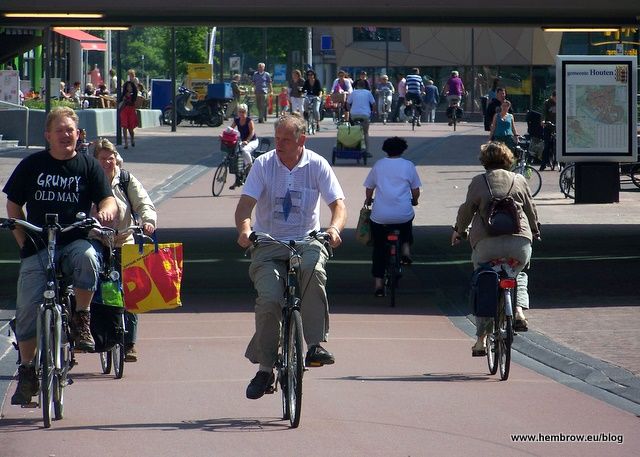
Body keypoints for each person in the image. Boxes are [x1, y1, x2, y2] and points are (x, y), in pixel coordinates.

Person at [3, 107, 117, 405]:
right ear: (48, 136)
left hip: (74, 239)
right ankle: (28, 371)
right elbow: (13, 206)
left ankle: (82, 317)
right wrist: (22, 240)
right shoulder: (32, 165)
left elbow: (107, 198)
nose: (67, 135)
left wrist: (106, 209)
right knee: (27, 307)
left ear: (79, 134)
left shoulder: (88, 166)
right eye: (60, 130)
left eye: (71, 130)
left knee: (89, 258)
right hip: (38, 246)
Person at [234, 113, 346, 400]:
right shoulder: (263, 164)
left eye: (286, 139)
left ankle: (315, 345)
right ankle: (265, 368)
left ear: (302, 140)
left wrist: (333, 229)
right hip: (269, 243)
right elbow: (244, 207)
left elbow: (338, 205)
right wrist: (245, 231)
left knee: (314, 270)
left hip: (307, 240)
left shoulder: (317, 164)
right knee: (269, 299)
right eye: (277, 138)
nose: (279, 144)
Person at [451, 142, 540, 356]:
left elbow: (466, 211)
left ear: (484, 161)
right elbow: (530, 208)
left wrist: (459, 231)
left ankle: (481, 340)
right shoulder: (519, 180)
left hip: (487, 245)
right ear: (509, 159)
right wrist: (535, 231)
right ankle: (518, 311)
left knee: (485, 283)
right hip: (519, 243)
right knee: (518, 273)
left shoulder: (478, 182)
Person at [93, 138, 157, 362]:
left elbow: (144, 202)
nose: (107, 163)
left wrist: (148, 220)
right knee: (91, 283)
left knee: (133, 291)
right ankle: (92, 333)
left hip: (124, 239)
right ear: (95, 160)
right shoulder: (90, 179)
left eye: (110, 158)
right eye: (102, 159)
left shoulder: (126, 180)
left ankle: (129, 344)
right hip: (98, 240)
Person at [363, 137, 421, 297]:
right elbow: (415, 190)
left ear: (385, 149)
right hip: (402, 213)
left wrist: (368, 200)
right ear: (403, 149)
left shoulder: (379, 165)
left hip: (380, 216)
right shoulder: (408, 166)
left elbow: (369, 188)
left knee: (379, 249)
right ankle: (406, 249)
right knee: (407, 222)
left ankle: (378, 284)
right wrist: (414, 201)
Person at [229, 103, 259, 190]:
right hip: (242, 142)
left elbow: (252, 132)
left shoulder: (249, 120)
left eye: (243, 112)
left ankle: (250, 165)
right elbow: (230, 129)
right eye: (240, 112)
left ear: (246, 112)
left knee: (245, 151)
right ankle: (237, 181)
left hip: (252, 141)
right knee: (235, 160)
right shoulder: (237, 120)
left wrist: (247, 141)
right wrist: (224, 135)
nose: (242, 114)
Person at [346, 79, 376, 151]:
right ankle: (367, 151)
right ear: (365, 86)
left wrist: (350, 112)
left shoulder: (353, 93)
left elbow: (347, 103)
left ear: (357, 86)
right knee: (366, 132)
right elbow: (374, 104)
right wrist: (372, 112)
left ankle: (353, 147)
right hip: (365, 115)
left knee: (353, 130)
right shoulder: (368, 92)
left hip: (354, 115)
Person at [540, 91, 557, 171]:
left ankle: (562, 163)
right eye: (555, 98)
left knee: (560, 145)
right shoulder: (547, 103)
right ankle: (543, 164)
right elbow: (543, 113)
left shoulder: (561, 101)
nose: (556, 100)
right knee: (547, 145)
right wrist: (543, 121)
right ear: (552, 97)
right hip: (548, 125)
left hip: (557, 126)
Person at [119, 80, 138, 149]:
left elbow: (134, 102)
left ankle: (132, 139)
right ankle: (126, 143)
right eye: (128, 87)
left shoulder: (134, 94)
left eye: (130, 87)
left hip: (131, 110)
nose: (129, 88)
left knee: (130, 128)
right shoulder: (123, 94)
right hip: (124, 110)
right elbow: (120, 101)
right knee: (124, 126)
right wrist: (124, 98)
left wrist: (129, 97)